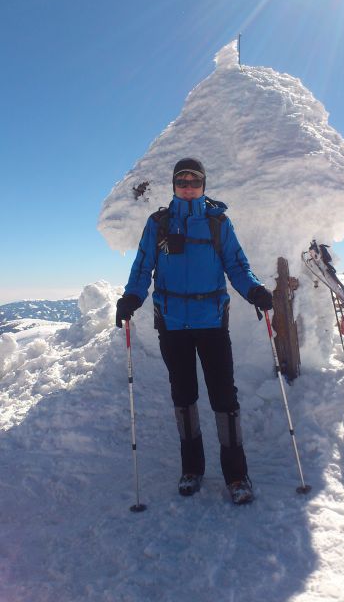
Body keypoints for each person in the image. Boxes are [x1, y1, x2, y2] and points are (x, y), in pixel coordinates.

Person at [116, 158, 272, 505]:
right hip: (172, 323)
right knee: (183, 395)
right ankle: (192, 468)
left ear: (204, 185)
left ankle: (236, 474)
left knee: (223, 396)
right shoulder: (159, 224)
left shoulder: (218, 223)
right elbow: (143, 267)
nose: (188, 187)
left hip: (211, 321)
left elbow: (236, 264)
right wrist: (131, 297)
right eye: (182, 181)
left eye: (194, 181)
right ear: (174, 185)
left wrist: (254, 291)